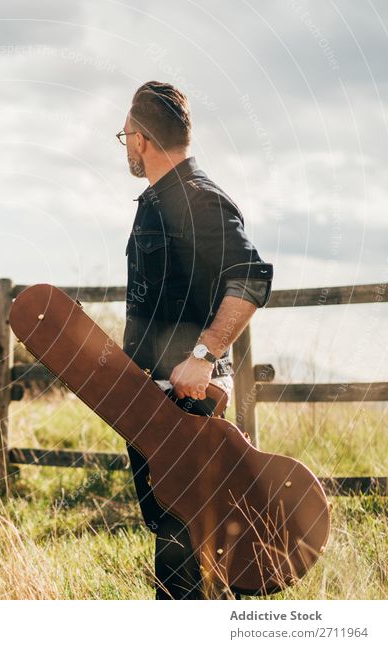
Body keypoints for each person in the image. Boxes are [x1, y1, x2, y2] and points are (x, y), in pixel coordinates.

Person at [118, 81, 274, 599]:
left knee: (185, 549)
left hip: (187, 404)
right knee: (173, 535)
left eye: (124, 136)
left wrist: (206, 357)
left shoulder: (200, 198)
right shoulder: (155, 201)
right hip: (153, 401)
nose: (125, 145)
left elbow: (250, 279)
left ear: (140, 139)